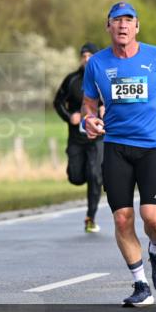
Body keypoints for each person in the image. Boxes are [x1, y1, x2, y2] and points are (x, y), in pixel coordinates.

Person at [82, 1, 156, 307]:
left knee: (152, 218)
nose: (122, 25)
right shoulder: (97, 64)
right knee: (122, 219)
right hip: (116, 146)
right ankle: (140, 284)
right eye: (117, 20)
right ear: (108, 26)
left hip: (151, 146)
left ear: (137, 26)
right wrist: (88, 119)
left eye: (128, 20)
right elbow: (89, 102)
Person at [53, 42, 104, 233]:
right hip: (76, 138)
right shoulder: (72, 80)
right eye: (84, 56)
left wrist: (105, 108)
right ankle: (88, 173)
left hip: (97, 138)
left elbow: (114, 99)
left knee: (94, 175)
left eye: (90, 56)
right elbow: (57, 102)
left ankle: (91, 217)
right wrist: (69, 116)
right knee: (76, 177)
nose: (86, 59)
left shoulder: (104, 78)